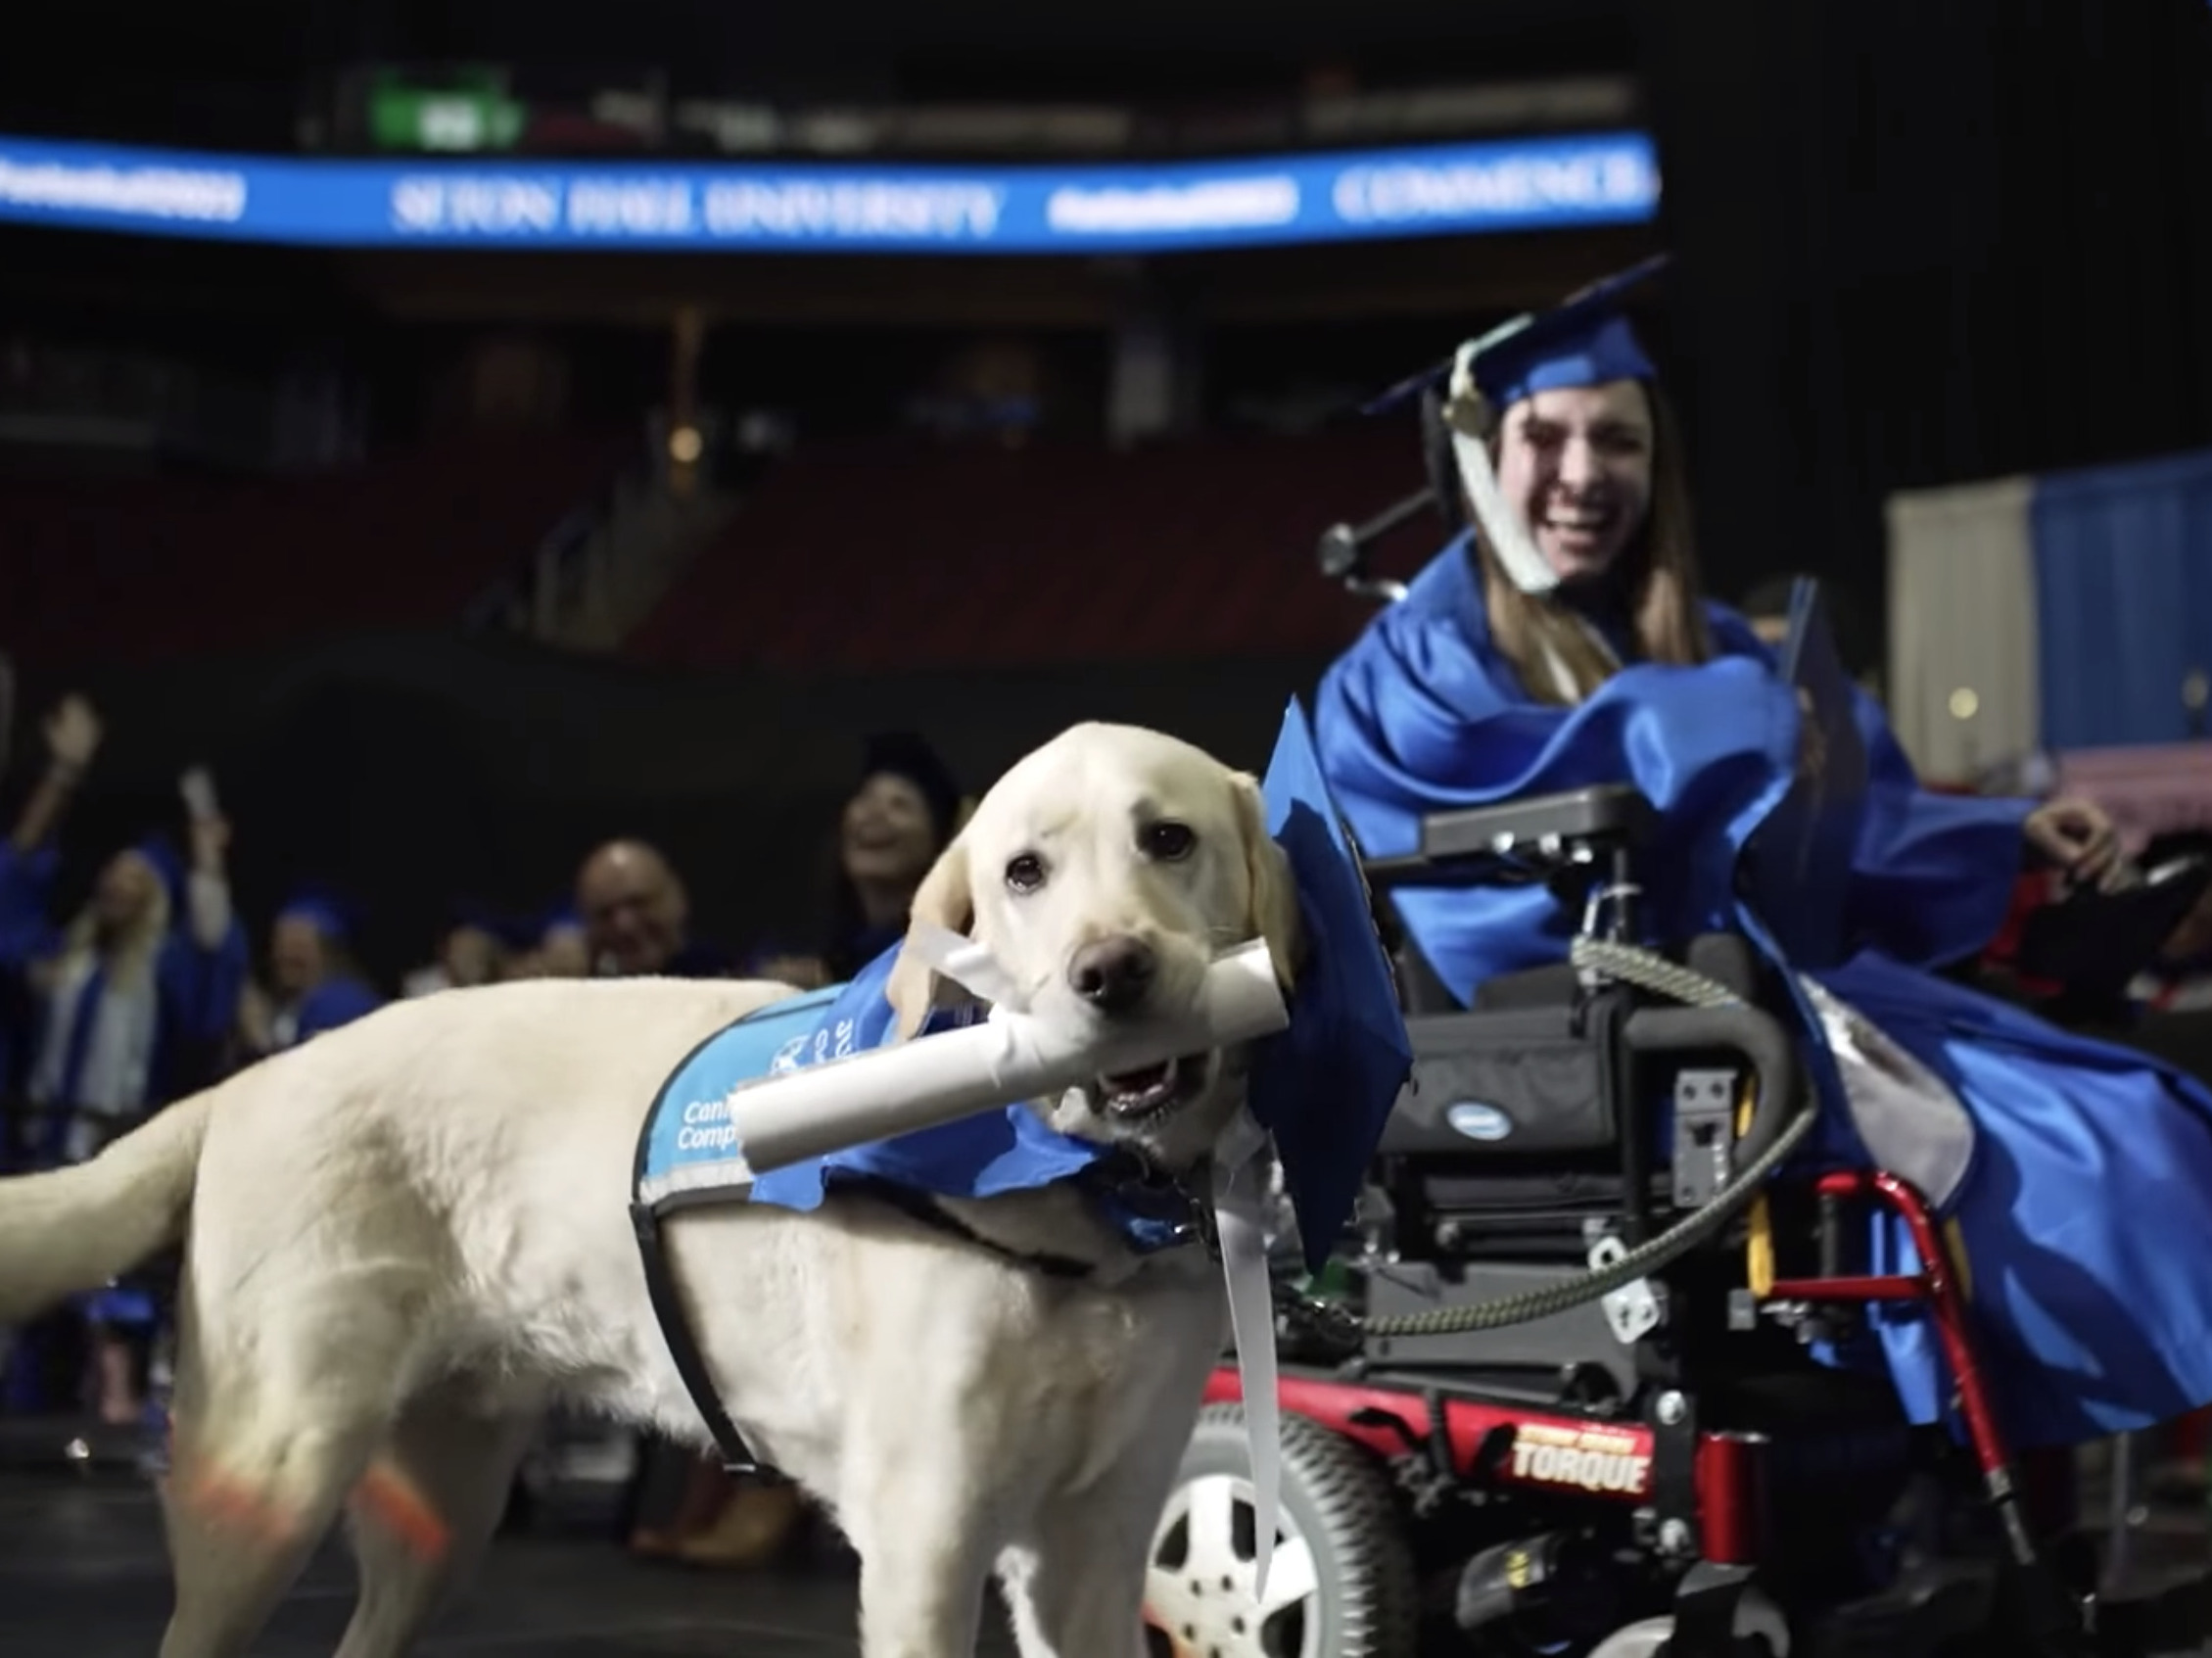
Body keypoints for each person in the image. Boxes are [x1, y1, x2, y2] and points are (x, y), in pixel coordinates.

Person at [1312, 259, 2212, 1450]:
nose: (1585, 475)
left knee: (2150, 1102)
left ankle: (2044, 1480)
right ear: (1480, 454)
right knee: (2097, 1158)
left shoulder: (1696, 634)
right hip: (1622, 1047)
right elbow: (1504, 807)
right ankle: (2006, 1453)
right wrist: (1731, 716)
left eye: (1620, 442)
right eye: (1548, 436)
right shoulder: (1411, 664)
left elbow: (1843, 816)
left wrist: (2002, 832)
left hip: (1774, 1005)